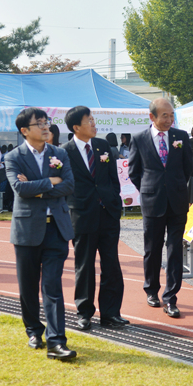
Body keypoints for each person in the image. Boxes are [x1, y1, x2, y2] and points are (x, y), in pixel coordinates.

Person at [4, 107, 77, 360]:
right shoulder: (14, 156)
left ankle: (57, 341)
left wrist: (39, 187)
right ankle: (34, 330)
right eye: (39, 124)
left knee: (53, 286)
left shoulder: (60, 153)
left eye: (47, 122)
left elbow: (68, 184)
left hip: (56, 228)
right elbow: (19, 188)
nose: (46, 127)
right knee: (28, 285)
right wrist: (50, 182)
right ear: (24, 130)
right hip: (26, 230)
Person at [62, 106, 128, 331]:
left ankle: (111, 313)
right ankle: (84, 313)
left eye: (93, 119)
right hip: (82, 215)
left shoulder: (103, 146)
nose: (93, 123)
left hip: (108, 213)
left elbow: (112, 179)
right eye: (88, 120)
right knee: (84, 265)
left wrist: (114, 201)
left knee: (111, 265)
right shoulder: (65, 151)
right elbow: (65, 184)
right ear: (76, 127)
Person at [128, 98, 192, 318]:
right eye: (164, 115)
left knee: (175, 249)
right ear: (152, 117)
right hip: (152, 201)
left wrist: (174, 188)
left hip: (177, 202)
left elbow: (187, 168)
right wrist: (149, 190)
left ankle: (171, 297)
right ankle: (151, 290)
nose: (169, 119)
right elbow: (134, 173)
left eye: (172, 115)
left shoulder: (181, 137)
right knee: (152, 249)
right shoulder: (139, 139)